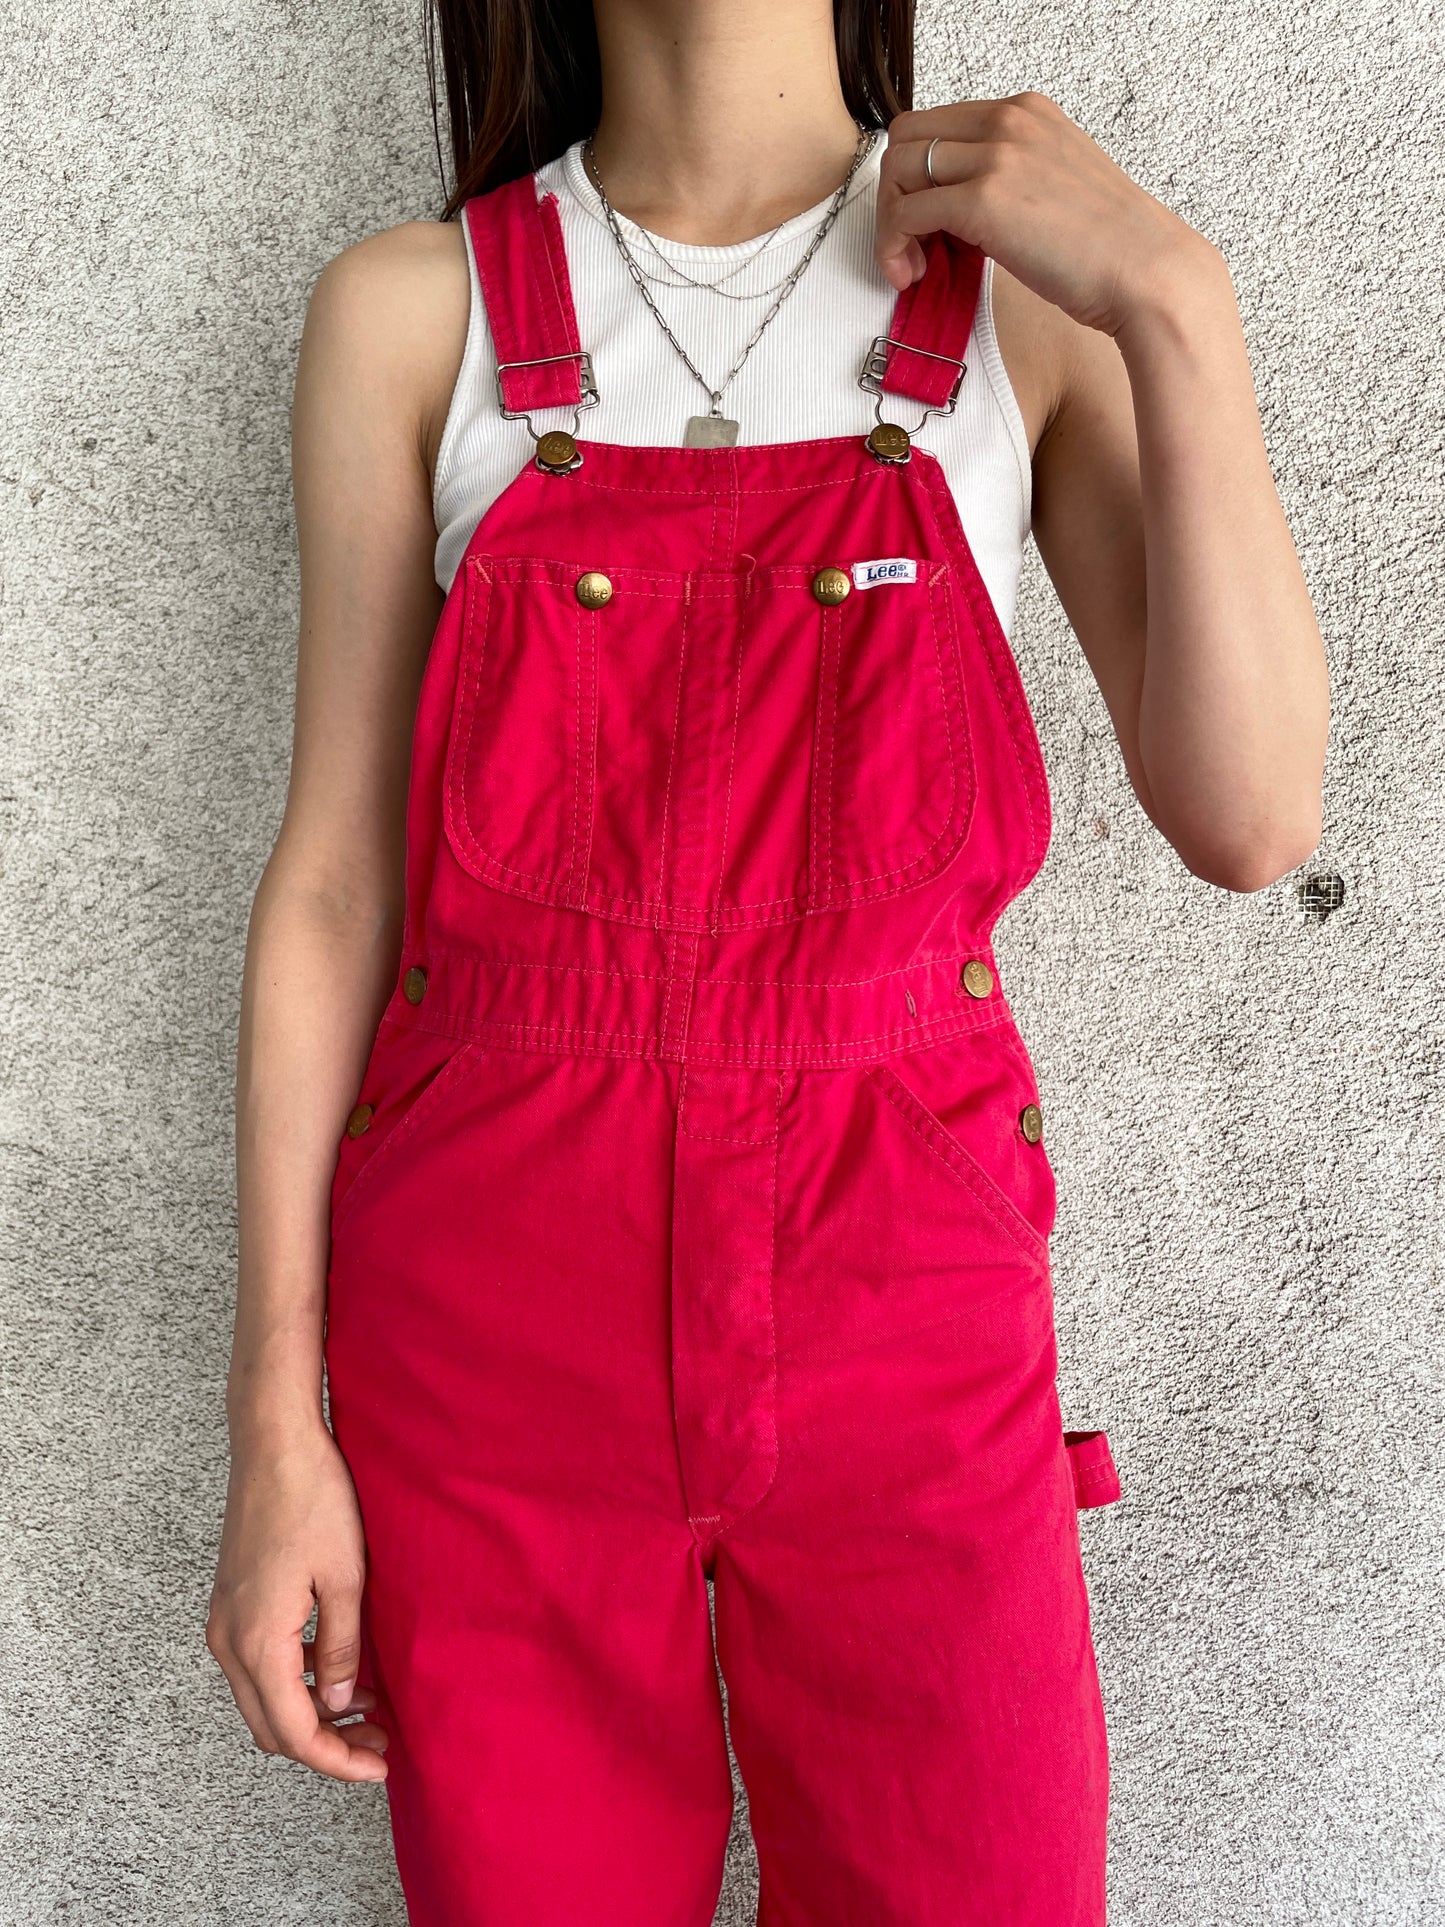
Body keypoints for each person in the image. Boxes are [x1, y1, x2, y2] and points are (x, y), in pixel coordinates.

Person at [205, 1, 1329, 1920]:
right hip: (489, 1324)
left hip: (911, 1294)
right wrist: (272, 1429)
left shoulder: (1029, 305)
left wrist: (1175, 299)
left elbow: (1250, 820)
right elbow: (333, 890)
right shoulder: (410, 312)